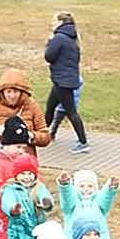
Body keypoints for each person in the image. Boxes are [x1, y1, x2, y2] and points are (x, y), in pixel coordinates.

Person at [0, 68, 51, 157]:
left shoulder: (31, 105)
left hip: (25, 159)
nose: (12, 96)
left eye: (16, 92)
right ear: (2, 92)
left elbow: (46, 137)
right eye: (8, 92)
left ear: (22, 92)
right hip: (0, 159)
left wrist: (30, 135)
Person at [44, 12, 88, 153]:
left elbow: (49, 56)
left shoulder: (59, 38)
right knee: (50, 107)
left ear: (61, 22)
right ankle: (42, 135)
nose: (52, 23)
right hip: (64, 79)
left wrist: (50, 42)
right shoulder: (72, 37)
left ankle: (83, 142)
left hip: (63, 81)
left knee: (71, 112)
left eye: (54, 21)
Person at [58, 170, 118, 239]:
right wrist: (65, 186)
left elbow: (106, 198)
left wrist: (110, 188)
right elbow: (67, 197)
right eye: (81, 186)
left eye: (90, 186)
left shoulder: (98, 203)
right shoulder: (72, 205)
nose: (86, 189)